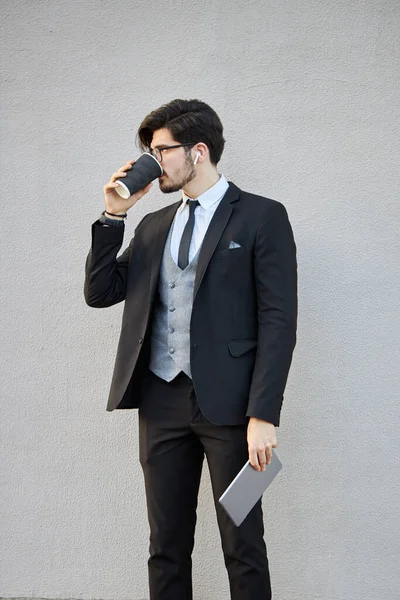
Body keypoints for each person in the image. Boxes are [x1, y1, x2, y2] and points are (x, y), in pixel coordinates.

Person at [84, 98, 298, 600]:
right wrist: (113, 217)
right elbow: (100, 293)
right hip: (161, 405)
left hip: (234, 412)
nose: (153, 162)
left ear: (198, 151)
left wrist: (264, 414)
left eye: (162, 150)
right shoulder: (155, 225)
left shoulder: (262, 217)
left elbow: (278, 320)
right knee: (165, 545)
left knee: (243, 542)